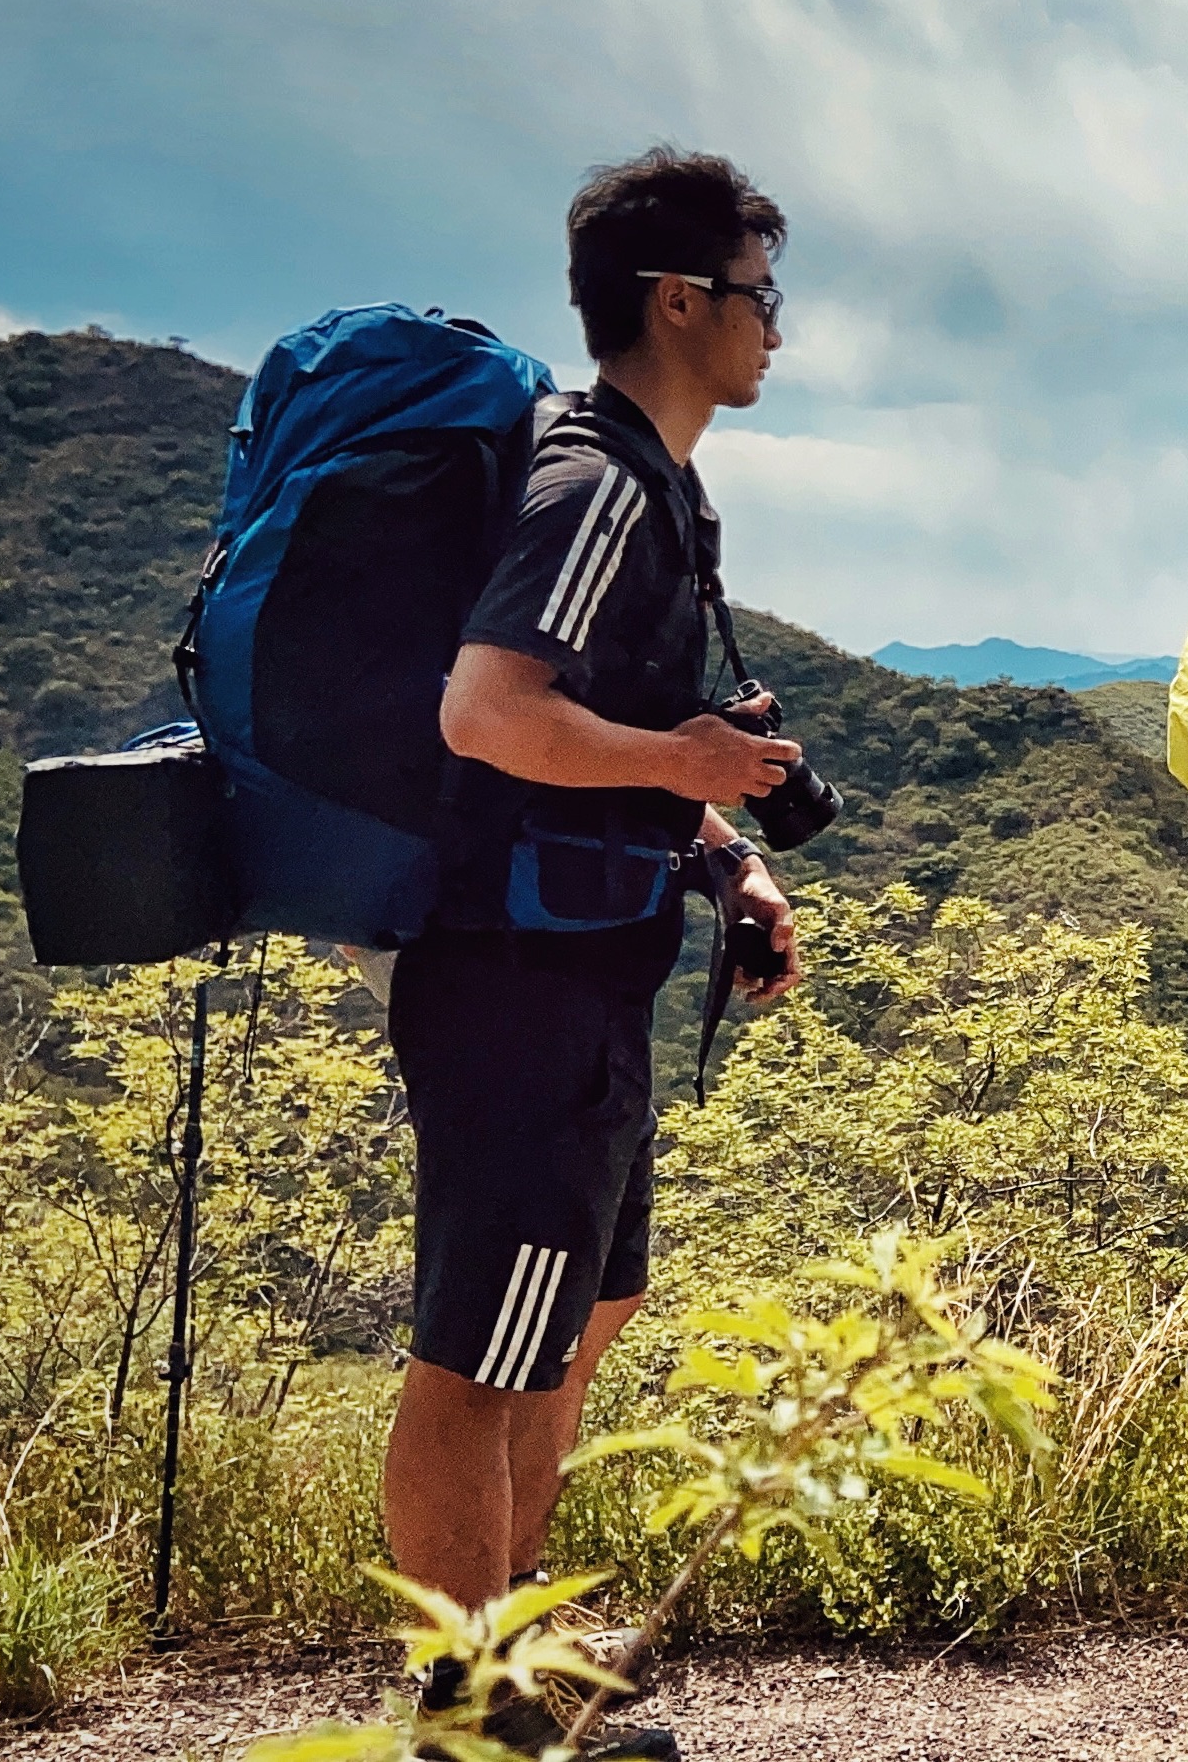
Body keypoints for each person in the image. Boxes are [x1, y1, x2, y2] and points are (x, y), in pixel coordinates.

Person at [381, 149, 811, 1762]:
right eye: (762, 296)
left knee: (583, 1311)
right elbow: (487, 713)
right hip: (512, 980)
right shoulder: (595, 482)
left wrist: (722, 848)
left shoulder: (658, 482)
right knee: (480, 1352)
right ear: (678, 301)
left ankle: (516, 1649)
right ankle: (470, 1714)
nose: (778, 329)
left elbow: (619, 731)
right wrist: (680, 768)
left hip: (588, 962)